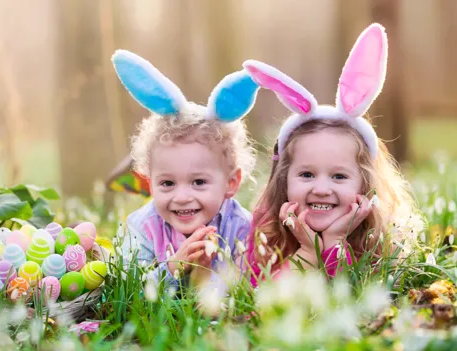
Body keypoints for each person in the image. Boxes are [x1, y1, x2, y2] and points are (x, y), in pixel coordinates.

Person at [242, 24, 423, 286]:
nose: (322, 188)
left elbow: (353, 300)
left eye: (339, 176)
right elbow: (264, 300)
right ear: (284, 179)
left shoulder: (377, 237)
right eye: (306, 174)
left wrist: (335, 241)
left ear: (365, 183)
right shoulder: (267, 229)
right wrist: (307, 251)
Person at [112, 50, 260, 288]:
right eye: (167, 183)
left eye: (199, 182)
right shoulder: (142, 227)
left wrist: (208, 275)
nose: (181, 197)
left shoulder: (241, 227)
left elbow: (251, 288)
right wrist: (173, 267)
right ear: (149, 182)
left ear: (230, 183)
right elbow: (127, 292)